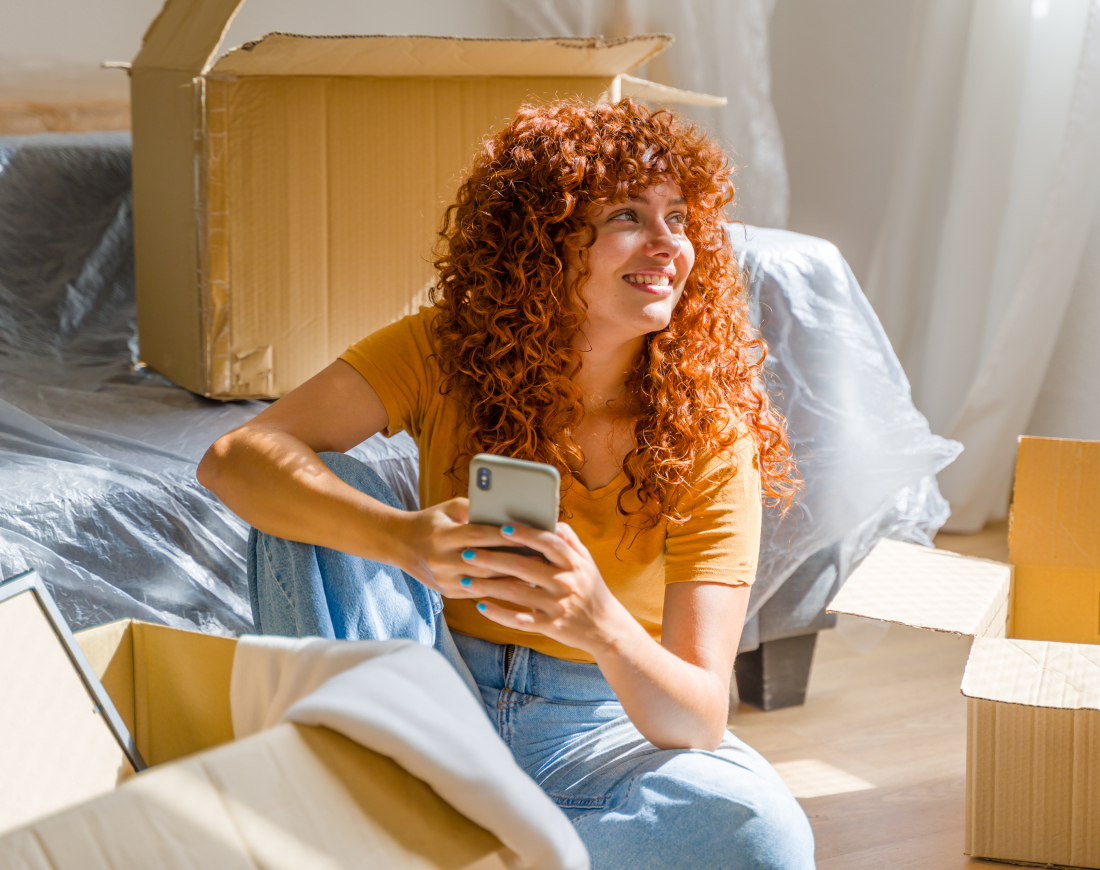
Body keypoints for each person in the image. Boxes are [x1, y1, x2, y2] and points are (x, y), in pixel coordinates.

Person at [198, 98, 815, 869]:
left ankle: (427, 843)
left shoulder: (711, 435)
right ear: (541, 239)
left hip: (598, 730)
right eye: (628, 215)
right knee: (316, 490)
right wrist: (404, 540)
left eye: (680, 219)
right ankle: (446, 832)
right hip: (428, 690)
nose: (667, 244)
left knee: (761, 834)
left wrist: (600, 624)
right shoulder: (443, 349)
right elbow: (236, 456)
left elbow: (696, 718)